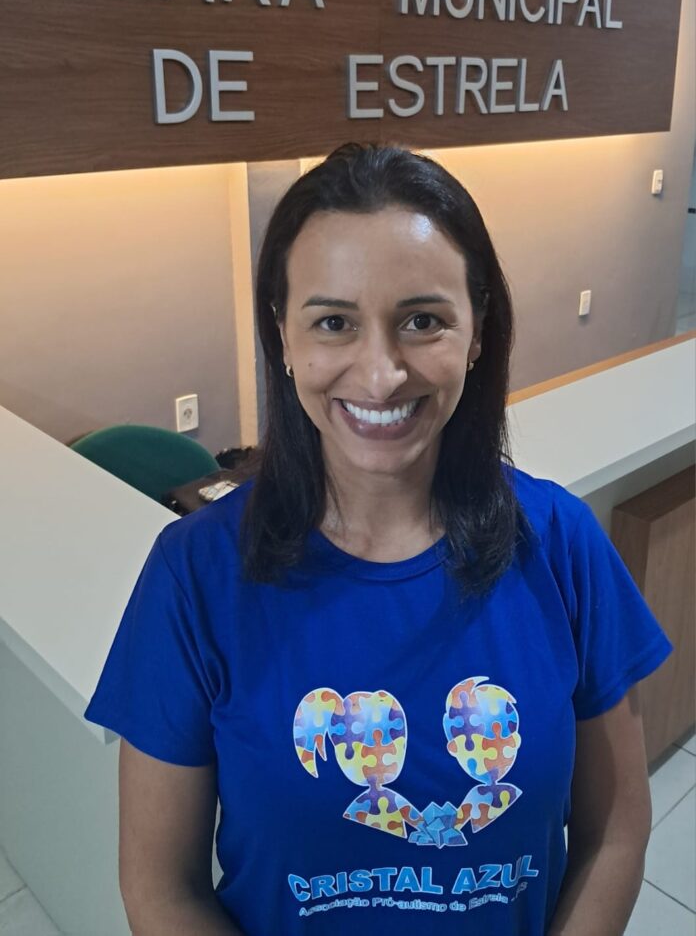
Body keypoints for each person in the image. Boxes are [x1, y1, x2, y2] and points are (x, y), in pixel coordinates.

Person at [84, 143, 672, 936]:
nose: (381, 373)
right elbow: (160, 888)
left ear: (476, 329)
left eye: (422, 320)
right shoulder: (194, 574)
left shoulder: (562, 544)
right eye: (334, 322)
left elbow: (615, 832)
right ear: (283, 337)